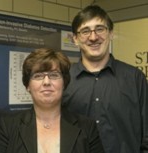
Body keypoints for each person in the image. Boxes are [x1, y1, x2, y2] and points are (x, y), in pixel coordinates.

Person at [62, 5, 148, 153]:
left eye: (100, 29)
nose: (93, 37)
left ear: (111, 33)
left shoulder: (134, 78)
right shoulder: (64, 80)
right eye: (85, 31)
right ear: (75, 39)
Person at [0, 48, 105, 153]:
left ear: (64, 83)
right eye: (38, 76)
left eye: (54, 75)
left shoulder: (87, 127)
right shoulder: (8, 126)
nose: (46, 82)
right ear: (28, 85)